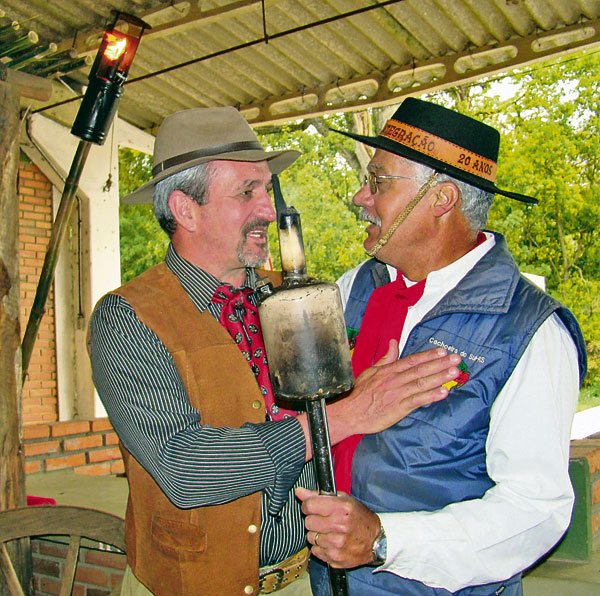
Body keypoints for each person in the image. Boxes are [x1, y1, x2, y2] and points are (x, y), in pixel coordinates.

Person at [88, 106, 463, 596]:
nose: (268, 208)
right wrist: (345, 417)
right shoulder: (127, 317)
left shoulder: (288, 297)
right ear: (185, 209)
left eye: (266, 189)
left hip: (305, 581)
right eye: (247, 192)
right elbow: (186, 468)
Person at [297, 97, 588, 596]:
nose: (359, 196)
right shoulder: (350, 291)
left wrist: (387, 541)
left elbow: (535, 510)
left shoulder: (529, 329)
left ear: (441, 199)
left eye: (379, 181)